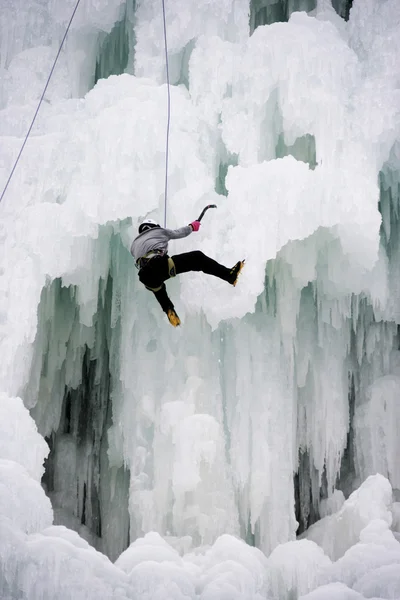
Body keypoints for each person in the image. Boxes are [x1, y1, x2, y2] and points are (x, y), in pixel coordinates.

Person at [131, 218, 244, 326]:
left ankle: (168, 309)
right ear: (154, 227)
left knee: (158, 287)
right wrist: (192, 227)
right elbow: (179, 233)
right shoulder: (158, 231)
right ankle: (230, 275)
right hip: (159, 265)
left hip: (145, 277)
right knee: (197, 257)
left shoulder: (134, 245)